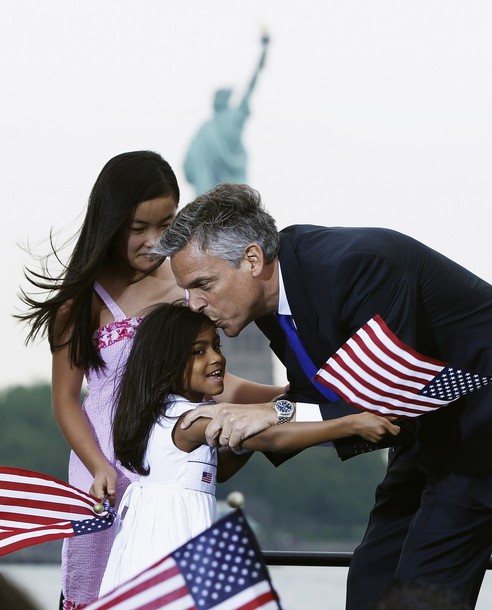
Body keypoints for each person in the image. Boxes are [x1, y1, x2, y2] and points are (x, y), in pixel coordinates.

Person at [154, 182, 492, 610]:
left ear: (252, 259)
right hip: (424, 429)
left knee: (418, 592)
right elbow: (319, 392)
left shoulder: (355, 267)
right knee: (371, 578)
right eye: (187, 289)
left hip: (477, 425)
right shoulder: (271, 300)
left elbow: (386, 394)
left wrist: (271, 413)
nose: (194, 304)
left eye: (203, 284)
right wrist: (236, 443)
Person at [15, 156, 286, 610]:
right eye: (139, 227)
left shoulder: (185, 289)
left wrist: (281, 396)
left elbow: (211, 377)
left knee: (168, 584)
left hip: (167, 461)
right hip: (103, 470)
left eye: (167, 223)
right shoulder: (82, 300)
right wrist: (99, 466)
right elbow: (65, 401)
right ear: (112, 221)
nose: (154, 240)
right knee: (98, 585)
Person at [99, 301, 399, 596]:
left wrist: (246, 437)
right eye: (199, 352)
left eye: (216, 346)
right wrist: (350, 424)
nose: (216, 358)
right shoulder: (193, 419)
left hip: (151, 535)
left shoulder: (166, 414)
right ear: (167, 362)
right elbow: (273, 439)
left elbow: (220, 470)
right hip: (171, 538)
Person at [183, 32, 270, 195]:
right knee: (207, 210)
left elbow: (250, 88)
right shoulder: (206, 127)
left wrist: (262, 56)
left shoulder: (234, 117)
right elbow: (192, 157)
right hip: (208, 185)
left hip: (233, 183)